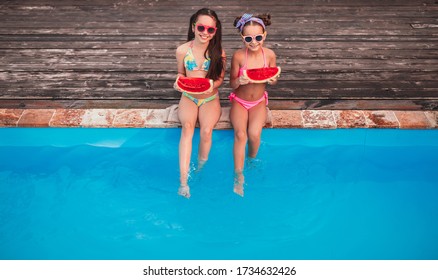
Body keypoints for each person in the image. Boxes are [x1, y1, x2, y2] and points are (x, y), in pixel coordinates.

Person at [175, 8, 226, 198]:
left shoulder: (218, 52)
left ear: (215, 31)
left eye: (210, 30)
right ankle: (183, 181)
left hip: (210, 97)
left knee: (206, 131)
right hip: (188, 96)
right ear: (193, 27)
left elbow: (220, 79)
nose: (205, 32)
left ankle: (200, 170)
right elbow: (181, 73)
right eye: (201, 27)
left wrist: (212, 85)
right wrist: (178, 81)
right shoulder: (182, 50)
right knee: (187, 127)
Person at [229, 13, 278, 197]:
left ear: (264, 35)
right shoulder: (239, 56)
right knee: (241, 135)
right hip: (240, 102)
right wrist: (239, 80)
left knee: (254, 135)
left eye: (258, 37)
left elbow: (272, 81)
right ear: (243, 38)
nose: (254, 42)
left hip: (258, 102)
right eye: (249, 38)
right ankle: (238, 176)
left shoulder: (270, 55)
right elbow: (231, 83)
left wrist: (273, 80)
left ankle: (251, 160)